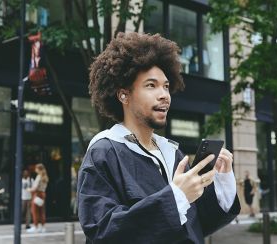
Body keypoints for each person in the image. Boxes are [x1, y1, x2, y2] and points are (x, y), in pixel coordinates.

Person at [77, 32, 241, 243]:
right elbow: (103, 230)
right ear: (123, 95)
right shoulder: (104, 152)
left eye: (165, 86)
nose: (164, 94)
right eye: (151, 85)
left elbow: (196, 226)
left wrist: (222, 181)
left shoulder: (173, 152)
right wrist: (176, 198)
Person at [27, 163, 49, 233]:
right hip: (42, 194)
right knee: (41, 212)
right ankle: (43, 227)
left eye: (36, 168)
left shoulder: (39, 176)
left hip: (37, 194)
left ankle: (36, 227)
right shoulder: (45, 177)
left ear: (39, 169)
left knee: (34, 211)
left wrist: (29, 189)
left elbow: (35, 188)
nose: (35, 169)